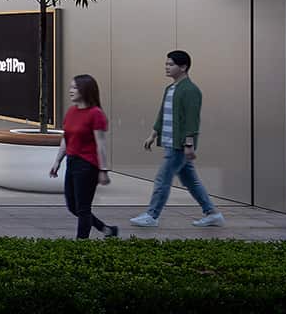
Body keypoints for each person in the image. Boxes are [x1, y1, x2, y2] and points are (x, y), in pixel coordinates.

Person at [131, 49, 225, 228]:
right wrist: (153, 134)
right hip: (170, 142)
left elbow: (192, 119)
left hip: (179, 145)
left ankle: (152, 215)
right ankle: (213, 214)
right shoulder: (171, 88)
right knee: (191, 181)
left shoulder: (190, 90)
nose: (166, 67)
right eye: (166, 63)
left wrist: (188, 143)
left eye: (171, 64)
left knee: (162, 179)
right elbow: (163, 114)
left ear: (184, 67)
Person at [49, 73, 117, 238]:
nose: (71, 90)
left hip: (87, 165)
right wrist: (58, 160)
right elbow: (67, 138)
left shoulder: (95, 114)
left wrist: (103, 170)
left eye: (75, 87)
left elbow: (100, 144)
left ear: (85, 90)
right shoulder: (71, 112)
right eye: (71, 87)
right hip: (72, 162)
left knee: (83, 208)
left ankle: (82, 243)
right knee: (72, 206)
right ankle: (106, 230)